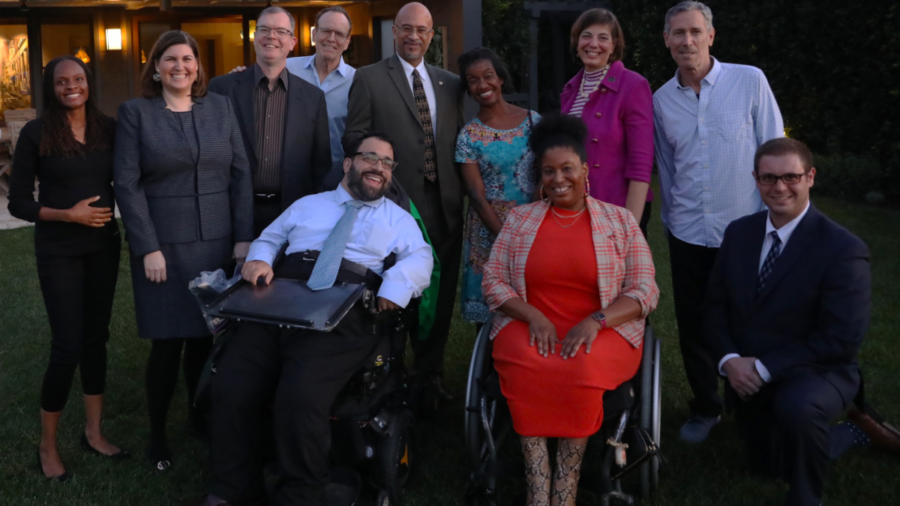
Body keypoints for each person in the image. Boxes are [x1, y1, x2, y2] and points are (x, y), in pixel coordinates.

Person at [202, 133, 433, 506]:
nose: (379, 168)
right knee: (231, 384)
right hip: (280, 299)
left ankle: (302, 492)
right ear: (347, 164)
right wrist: (260, 258)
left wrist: (398, 284)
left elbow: (421, 258)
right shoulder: (308, 205)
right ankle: (232, 486)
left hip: (346, 310)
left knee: (301, 394)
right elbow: (270, 237)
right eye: (370, 158)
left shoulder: (398, 219)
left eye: (388, 163)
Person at [705, 137, 900, 506]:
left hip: (817, 372)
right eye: (768, 178)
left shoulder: (843, 249)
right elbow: (715, 307)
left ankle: (807, 498)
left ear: (810, 177)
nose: (779, 187)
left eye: (791, 177)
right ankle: (855, 433)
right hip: (748, 370)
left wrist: (762, 368)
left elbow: (841, 340)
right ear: (756, 179)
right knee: (771, 468)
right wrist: (729, 361)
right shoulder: (739, 233)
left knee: (798, 410)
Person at [482, 114, 659, 506]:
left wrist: (597, 321)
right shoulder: (520, 220)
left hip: (603, 327)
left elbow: (645, 290)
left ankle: (566, 482)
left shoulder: (620, 221)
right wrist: (532, 315)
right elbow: (493, 280)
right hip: (529, 321)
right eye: (548, 171)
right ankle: (537, 484)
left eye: (567, 169)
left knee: (580, 364)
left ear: (584, 170)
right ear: (539, 177)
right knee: (528, 363)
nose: (558, 178)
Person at [114, 30, 254, 471]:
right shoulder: (136, 114)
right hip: (164, 249)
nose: (180, 66)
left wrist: (243, 237)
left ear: (198, 67)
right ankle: (158, 435)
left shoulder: (220, 107)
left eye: (188, 59)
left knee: (202, 342)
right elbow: (128, 184)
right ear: (155, 67)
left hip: (215, 243)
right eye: (170, 59)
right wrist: (147, 247)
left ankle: (198, 417)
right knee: (167, 343)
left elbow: (241, 174)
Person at [652, 0, 784, 443]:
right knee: (695, 322)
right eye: (677, 33)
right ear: (667, 41)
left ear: (711, 35)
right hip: (688, 231)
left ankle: (752, 401)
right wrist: (673, 219)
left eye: (694, 31)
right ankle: (705, 405)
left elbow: (774, 149)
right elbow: (667, 168)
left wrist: (779, 218)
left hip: (747, 228)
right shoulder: (661, 100)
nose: (686, 41)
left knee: (752, 319)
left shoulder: (749, 81)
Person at [8, 55, 127, 481]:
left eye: (78, 79)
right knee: (67, 345)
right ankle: (48, 444)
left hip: (103, 248)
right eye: (62, 82)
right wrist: (67, 215)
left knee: (96, 339)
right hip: (59, 249)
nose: (71, 87)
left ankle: (93, 433)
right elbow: (17, 200)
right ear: (51, 87)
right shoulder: (38, 133)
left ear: (88, 82)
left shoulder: (107, 128)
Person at [344, 1, 463, 392]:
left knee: (440, 294)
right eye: (406, 28)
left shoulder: (450, 83)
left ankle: (430, 377)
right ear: (393, 31)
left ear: (432, 35)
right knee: (391, 289)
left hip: (444, 205)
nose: (414, 36)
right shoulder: (370, 77)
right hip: (394, 204)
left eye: (422, 30)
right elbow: (355, 137)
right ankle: (389, 376)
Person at [208, 6, 331, 236]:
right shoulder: (222, 89)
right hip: (230, 211)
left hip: (292, 214)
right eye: (264, 29)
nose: (271, 36)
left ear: (292, 41)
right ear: (255, 38)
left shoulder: (313, 98)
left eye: (280, 31)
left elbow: (320, 165)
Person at [455, 47, 540, 327]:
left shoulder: (533, 121)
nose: (482, 85)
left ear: (500, 78)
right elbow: (477, 197)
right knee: (492, 310)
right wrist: (507, 239)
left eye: (488, 76)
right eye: (473, 80)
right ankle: (486, 367)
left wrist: (531, 228)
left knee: (536, 300)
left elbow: (546, 177)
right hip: (489, 231)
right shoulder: (468, 136)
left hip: (535, 226)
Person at [560, 8, 654, 234]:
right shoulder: (570, 90)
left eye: (603, 38)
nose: (593, 44)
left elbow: (641, 163)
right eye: (586, 36)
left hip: (616, 208)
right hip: (575, 206)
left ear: (614, 46)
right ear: (577, 42)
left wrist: (629, 226)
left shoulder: (633, 86)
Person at [286, 6, 357, 174]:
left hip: (336, 177)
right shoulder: (287, 69)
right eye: (326, 31)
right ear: (314, 34)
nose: (331, 39)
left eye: (339, 34)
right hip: (289, 175)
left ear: (347, 42)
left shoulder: (358, 81)